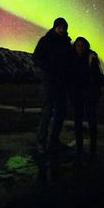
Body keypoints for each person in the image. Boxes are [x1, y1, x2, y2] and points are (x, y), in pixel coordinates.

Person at [32, 18, 73, 154]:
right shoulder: (46, 40)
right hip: (49, 82)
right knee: (47, 113)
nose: (62, 29)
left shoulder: (67, 43)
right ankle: (41, 142)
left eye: (64, 27)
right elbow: (36, 57)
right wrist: (46, 71)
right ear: (55, 27)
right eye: (60, 27)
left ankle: (54, 140)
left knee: (61, 112)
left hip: (62, 83)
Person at [71, 37, 102, 158]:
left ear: (86, 46)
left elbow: (97, 78)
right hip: (77, 95)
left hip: (89, 95)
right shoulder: (73, 59)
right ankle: (79, 148)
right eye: (78, 45)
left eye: (82, 45)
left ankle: (92, 149)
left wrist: (95, 93)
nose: (80, 48)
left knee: (91, 121)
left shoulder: (91, 58)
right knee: (78, 122)